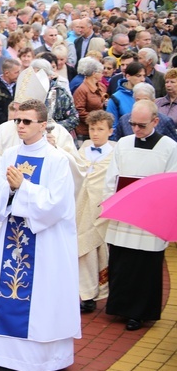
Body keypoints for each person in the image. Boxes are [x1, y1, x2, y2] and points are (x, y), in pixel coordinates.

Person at [0, 99, 80, 371]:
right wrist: (10, 191)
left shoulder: (57, 160)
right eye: (17, 121)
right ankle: (0, 360)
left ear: (42, 124)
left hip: (44, 242)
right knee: (7, 296)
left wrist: (23, 187)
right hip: (13, 238)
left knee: (40, 301)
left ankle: (38, 360)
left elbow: (57, 205)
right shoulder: (9, 154)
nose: (20, 126)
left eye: (26, 121)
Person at [104, 100, 177, 331]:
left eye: (142, 125)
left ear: (155, 121)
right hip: (124, 213)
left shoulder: (169, 147)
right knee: (121, 261)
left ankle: (139, 313)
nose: (136, 129)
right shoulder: (123, 144)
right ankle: (119, 306)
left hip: (150, 217)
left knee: (144, 266)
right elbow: (111, 177)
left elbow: (171, 182)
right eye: (132, 123)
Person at [75, 110, 116, 314]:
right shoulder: (82, 150)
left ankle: (96, 292)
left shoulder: (116, 154)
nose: (95, 133)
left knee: (98, 252)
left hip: (99, 210)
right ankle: (85, 293)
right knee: (82, 252)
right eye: (92, 129)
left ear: (110, 131)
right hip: (79, 209)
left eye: (100, 129)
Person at [73, 58, 107, 141]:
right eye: (100, 72)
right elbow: (79, 112)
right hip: (85, 132)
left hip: (100, 128)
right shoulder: (82, 90)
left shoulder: (102, 87)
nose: (103, 75)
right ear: (94, 73)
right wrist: (96, 120)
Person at [106, 61, 146, 127]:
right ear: (128, 76)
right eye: (138, 76)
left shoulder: (147, 95)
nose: (143, 79)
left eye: (144, 76)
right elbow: (111, 126)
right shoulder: (115, 98)